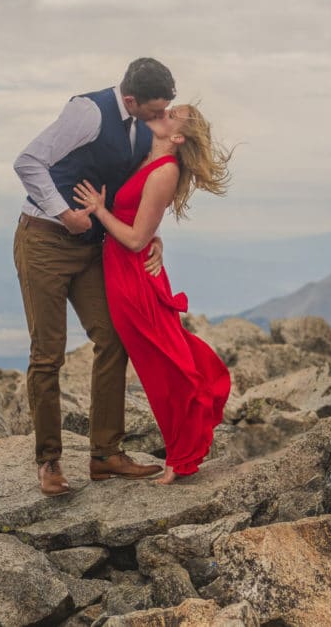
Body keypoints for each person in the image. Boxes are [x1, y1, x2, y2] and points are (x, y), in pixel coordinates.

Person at [13, 58, 176, 496]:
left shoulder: (144, 130)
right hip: (45, 240)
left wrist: (152, 238)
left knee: (113, 337)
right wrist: (65, 214)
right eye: (155, 110)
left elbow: (134, 194)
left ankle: (105, 455)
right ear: (129, 100)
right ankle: (49, 461)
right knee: (48, 354)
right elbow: (28, 162)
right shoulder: (86, 112)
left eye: (166, 109)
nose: (162, 119)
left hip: (91, 250)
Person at [73, 104, 233, 484]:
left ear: (176, 137)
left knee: (163, 366)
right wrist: (154, 236)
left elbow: (133, 238)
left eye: (171, 115)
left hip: (133, 278)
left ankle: (181, 458)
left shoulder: (165, 171)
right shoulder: (147, 156)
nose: (163, 112)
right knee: (161, 362)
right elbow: (143, 226)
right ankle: (182, 452)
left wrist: (98, 210)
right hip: (125, 272)